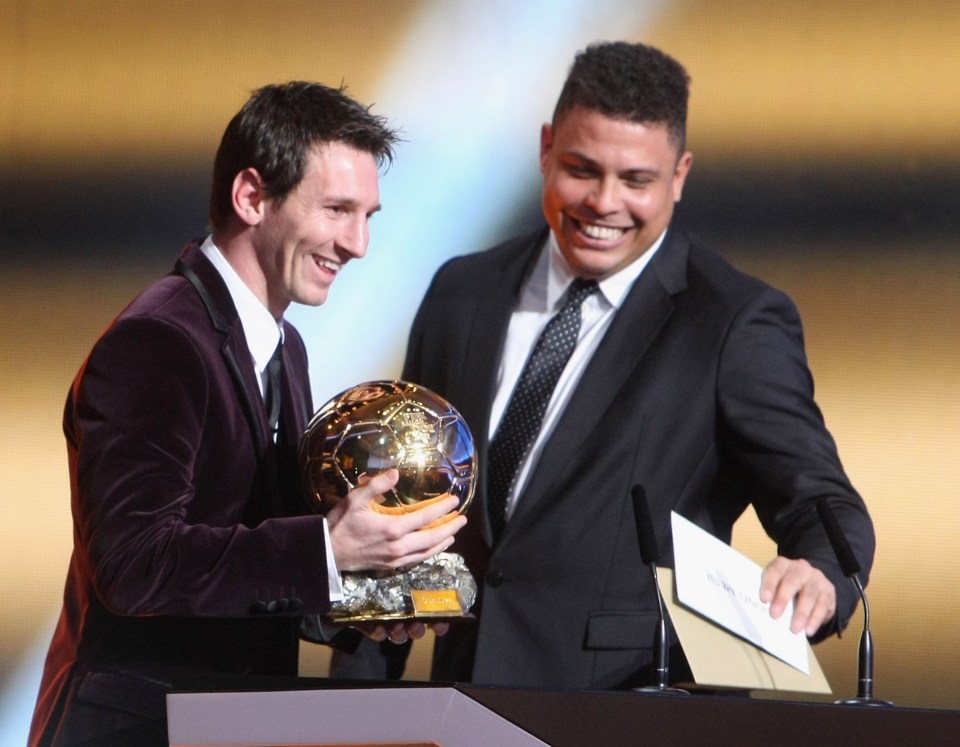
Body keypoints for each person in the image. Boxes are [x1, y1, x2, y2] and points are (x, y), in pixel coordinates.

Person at [331, 41, 875, 690]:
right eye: (582, 169)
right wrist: (356, 701)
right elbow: (399, 506)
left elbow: (823, 502)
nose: (604, 203)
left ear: (679, 175)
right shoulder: (462, 292)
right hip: (461, 707)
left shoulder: (731, 320)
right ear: (544, 149)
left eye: (636, 180)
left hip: (627, 713)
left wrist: (819, 570)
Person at [28, 81, 466, 747]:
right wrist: (327, 549)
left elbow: (248, 562)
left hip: (232, 725)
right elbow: (136, 562)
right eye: (338, 210)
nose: (359, 244)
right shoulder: (157, 343)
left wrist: (356, 600)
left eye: (368, 215)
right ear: (252, 197)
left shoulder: (283, 346)